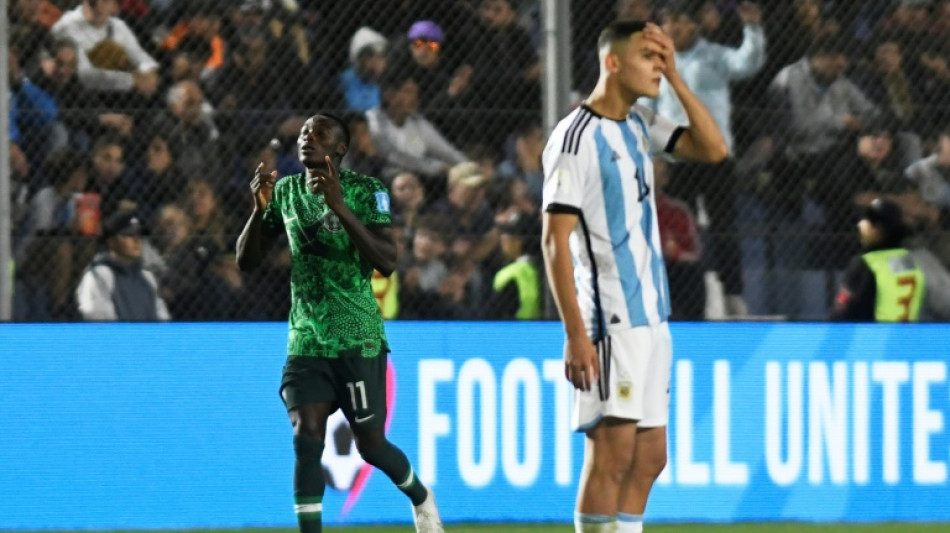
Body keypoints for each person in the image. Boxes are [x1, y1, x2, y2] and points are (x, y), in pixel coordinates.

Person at [541, 20, 727, 533]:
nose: (659, 70)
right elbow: (554, 239)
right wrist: (576, 334)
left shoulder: (641, 123)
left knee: (650, 458)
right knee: (611, 456)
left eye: (662, 59)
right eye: (649, 58)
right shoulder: (574, 137)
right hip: (610, 317)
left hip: (653, 315)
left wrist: (680, 78)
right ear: (613, 63)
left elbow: (714, 150)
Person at [234, 113, 443, 533]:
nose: (307, 137)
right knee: (306, 436)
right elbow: (246, 260)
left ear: (340, 150)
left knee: (371, 446)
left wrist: (339, 206)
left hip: (358, 339)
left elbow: (386, 261)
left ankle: (421, 497)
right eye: (304, 131)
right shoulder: (287, 192)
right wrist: (258, 212)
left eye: (319, 133)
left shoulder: (368, 192)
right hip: (307, 340)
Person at [831, 197, 925, 322]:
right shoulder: (911, 261)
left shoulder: (865, 264)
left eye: (866, 221)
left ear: (878, 229)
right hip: (907, 339)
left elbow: (842, 313)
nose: (860, 225)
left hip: (877, 338)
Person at [75, 209, 170, 321]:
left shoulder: (147, 277)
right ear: (111, 242)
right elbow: (100, 324)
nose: (136, 240)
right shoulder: (99, 275)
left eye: (139, 235)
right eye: (129, 234)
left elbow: (163, 319)